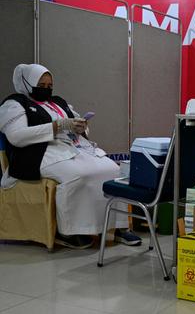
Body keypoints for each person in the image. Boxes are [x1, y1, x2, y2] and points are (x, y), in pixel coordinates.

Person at [0, 64, 141, 249]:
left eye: (49, 85)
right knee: (79, 176)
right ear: (26, 82)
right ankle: (70, 231)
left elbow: (75, 121)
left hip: (72, 148)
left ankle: (118, 227)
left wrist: (81, 127)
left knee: (113, 170)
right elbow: (16, 136)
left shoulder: (58, 102)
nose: (46, 89)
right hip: (39, 153)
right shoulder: (15, 104)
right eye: (41, 85)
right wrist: (57, 126)